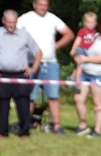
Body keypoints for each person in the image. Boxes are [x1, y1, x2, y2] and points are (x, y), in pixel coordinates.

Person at [0, 10, 42, 139]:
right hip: (2, 75)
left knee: (23, 105)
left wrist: (34, 67)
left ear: (17, 22)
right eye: (9, 22)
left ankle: (24, 132)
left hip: (21, 75)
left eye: (14, 22)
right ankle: (2, 131)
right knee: (3, 104)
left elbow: (38, 51)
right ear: (3, 21)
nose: (11, 25)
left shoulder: (24, 35)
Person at [17, 0, 74, 135]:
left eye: (45, 5)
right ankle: (25, 124)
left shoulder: (52, 18)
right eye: (40, 4)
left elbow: (69, 34)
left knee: (53, 96)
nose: (43, 7)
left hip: (51, 64)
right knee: (28, 96)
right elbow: (13, 35)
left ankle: (57, 126)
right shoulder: (25, 19)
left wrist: (54, 47)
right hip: (30, 64)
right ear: (34, 5)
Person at [72, 16, 101, 138]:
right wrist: (77, 68)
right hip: (85, 73)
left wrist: (85, 59)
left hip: (99, 75)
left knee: (97, 102)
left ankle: (97, 131)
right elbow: (84, 50)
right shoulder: (97, 37)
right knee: (78, 99)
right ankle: (83, 125)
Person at [69, 11, 98, 82]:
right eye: (88, 22)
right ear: (84, 23)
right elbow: (78, 40)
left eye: (92, 22)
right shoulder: (83, 31)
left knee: (83, 65)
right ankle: (78, 80)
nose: (90, 24)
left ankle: (72, 77)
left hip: (89, 51)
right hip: (81, 49)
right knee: (81, 65)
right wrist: (73, 49)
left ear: (95, 23)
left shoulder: (96, 33)